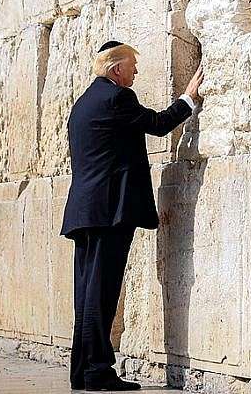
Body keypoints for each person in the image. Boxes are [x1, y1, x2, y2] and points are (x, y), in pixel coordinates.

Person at [59, 40, 204, 391]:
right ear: (115, 69)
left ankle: (82, 370)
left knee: (87, 293)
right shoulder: (116, 98)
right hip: (110, 211)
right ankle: (96, 372)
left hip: (85, 211)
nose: (136, 72)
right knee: (102, 292)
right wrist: (188, 98)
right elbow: (157, 124)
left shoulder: (82, 104)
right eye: (132, 66)